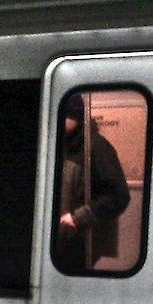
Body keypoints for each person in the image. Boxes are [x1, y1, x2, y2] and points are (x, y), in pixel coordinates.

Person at [55, 94, 130, 273]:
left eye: (67, 116)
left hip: (78, 239)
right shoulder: (57, 145)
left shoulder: (95, 147)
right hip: (59, 238)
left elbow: (118, 195)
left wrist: (77, 218)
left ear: (77, 117)